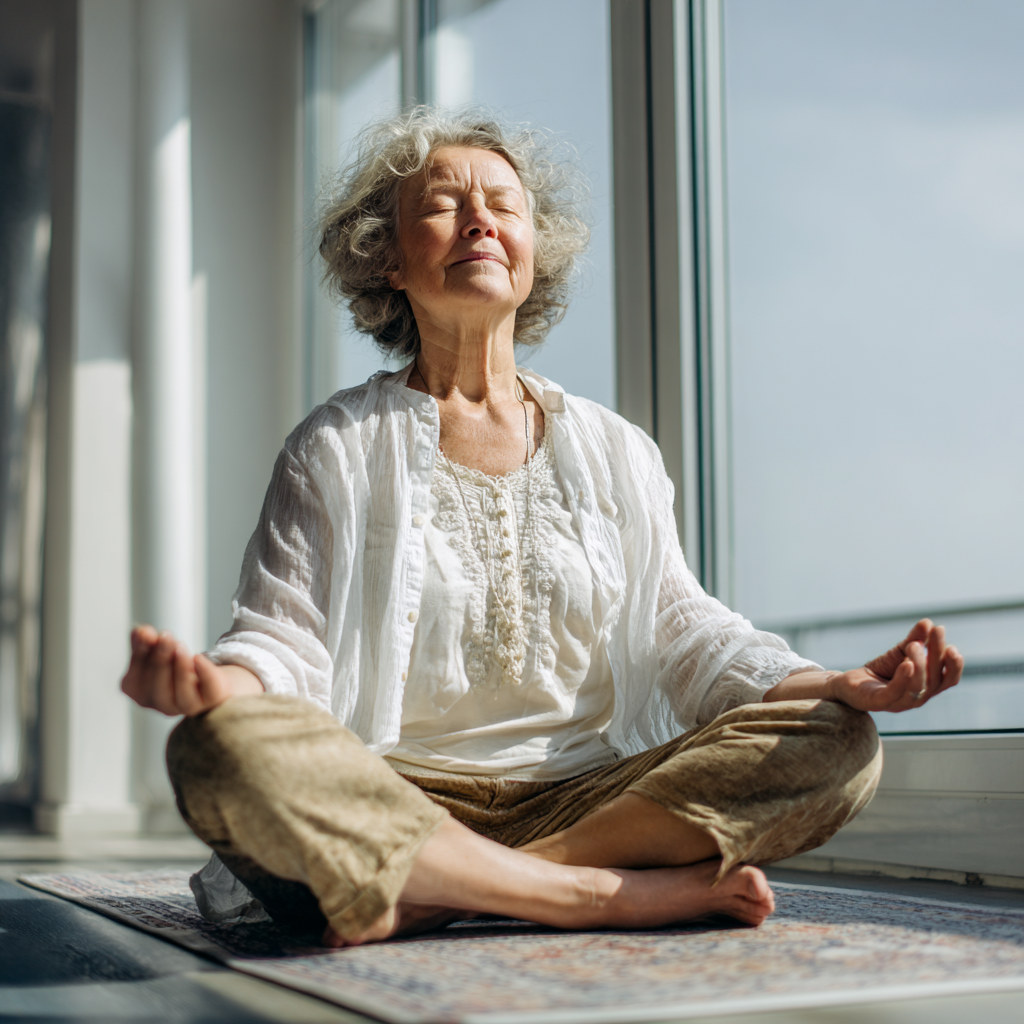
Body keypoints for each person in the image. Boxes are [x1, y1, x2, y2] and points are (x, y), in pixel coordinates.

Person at [121, 109, 963, 947]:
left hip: (589, 796)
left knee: (838, 743)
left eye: (503, 206)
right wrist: (219, 689)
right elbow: (284, 639)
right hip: (395, 796)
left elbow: (685, 633)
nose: (480, 219)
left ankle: (461, 890)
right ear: (388, 258)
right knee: (215, 751)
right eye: (445, 204)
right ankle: (598, 895)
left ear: (534, 252)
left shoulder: (615, 449)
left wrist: (832, 684)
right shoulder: (334, 447)